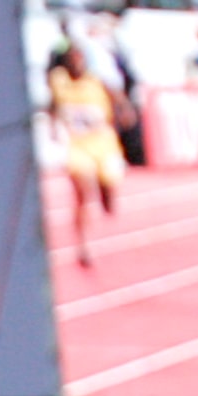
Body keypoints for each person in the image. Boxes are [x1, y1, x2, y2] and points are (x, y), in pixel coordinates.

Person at [49, 43, 124, 266]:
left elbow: (120, 102)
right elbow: (53, 105)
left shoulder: (97, 82)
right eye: (71, 58)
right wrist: (54, 124)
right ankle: (84, 245)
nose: (75, 63)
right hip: (77, 147)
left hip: (103, 145)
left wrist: (121, 116)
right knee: (83, 193)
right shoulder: (59, 82)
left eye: (79, 58)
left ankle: (106, 189)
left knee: (108, 189)